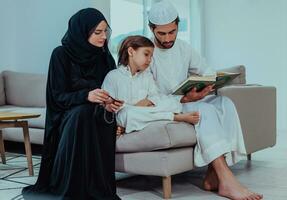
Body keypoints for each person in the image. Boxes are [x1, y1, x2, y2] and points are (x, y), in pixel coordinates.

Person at [147, 1, 263, 200]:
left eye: (172, 32)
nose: (168, 38)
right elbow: (150, 97)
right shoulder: (146, 52)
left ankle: (212, 175)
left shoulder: (184, 48)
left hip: (186, 100)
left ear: (177, 26)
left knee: (225, 104)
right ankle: (227, 180)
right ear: (152, 29)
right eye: (162, 34)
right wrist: (183, 97)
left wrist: (207, 84)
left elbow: (206, 70)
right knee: (204, 111)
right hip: (166, 106)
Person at [22, 8, 122, 200]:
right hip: (67, 113)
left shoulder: (104, 57)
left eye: (105, 32)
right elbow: (57, 96)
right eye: (97, 32)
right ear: (82, 32)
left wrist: (110, 101)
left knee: (92, 114)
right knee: (82, 114)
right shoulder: (60, 55)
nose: (103, 37)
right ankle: (73, 187)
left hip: (99, 113)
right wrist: (86, 96)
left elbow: (113, 87)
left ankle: (96, 187)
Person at [101, 35, 200, 134]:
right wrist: (134, 107)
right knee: (128, 113)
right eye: (146, 54)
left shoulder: (147, 76)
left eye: (151, 56)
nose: (149, 60)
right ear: (131, 52)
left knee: (172, 103)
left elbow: (156, 96)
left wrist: (148, 101)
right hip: (126, 115)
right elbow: (107, 109)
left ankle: (135, 124)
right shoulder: (113, 77)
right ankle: (174, 117)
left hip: (144, 113)